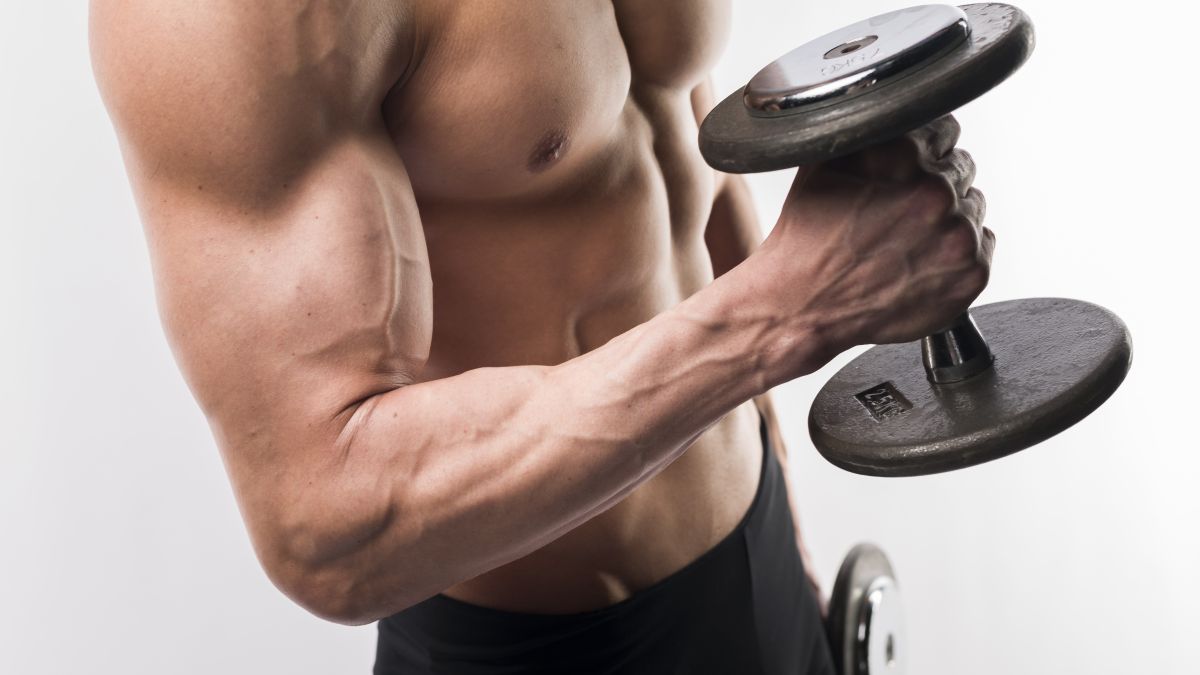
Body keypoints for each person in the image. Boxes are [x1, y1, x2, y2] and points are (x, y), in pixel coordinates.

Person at [90, 2, 991, 672]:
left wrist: (784, 542)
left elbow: (685, 169)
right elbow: (324, 526)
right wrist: (788, 311)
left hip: (757, 576)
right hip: (538, 649)